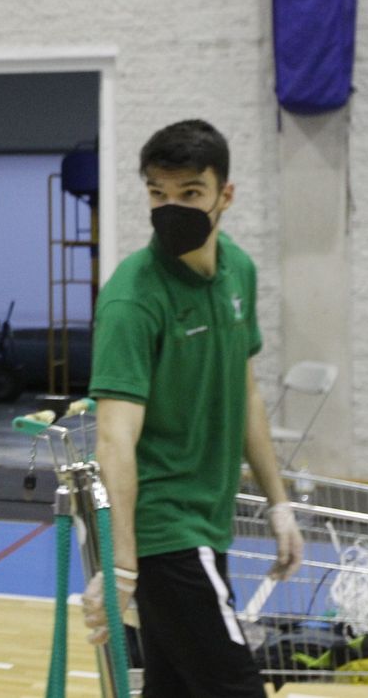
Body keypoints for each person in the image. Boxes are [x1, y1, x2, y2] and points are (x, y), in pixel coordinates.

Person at [85, 120, 304, 697]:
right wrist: (124, 562)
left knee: (174, 688)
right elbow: (114, 438)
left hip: (211, 519)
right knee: (234, 687)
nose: (171, 207)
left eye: (189, 194)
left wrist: (279, 505)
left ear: (224, 195)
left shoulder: (239, 270)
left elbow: (247, 392)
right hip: (165, 530)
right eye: (158, 193)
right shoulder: (134, 297)